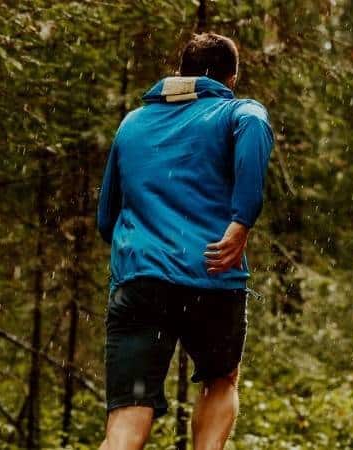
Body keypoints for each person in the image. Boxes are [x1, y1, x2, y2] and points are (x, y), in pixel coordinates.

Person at [95, 32, 274, 450]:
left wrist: (147, 248)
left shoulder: (132, 123)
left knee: (127, 415)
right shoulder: (238, 111)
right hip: (212, 275)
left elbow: (107, 218)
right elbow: (254, 123)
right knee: (220, 380)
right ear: (231, 78)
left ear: (181, 74)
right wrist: (241, 220)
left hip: (140, 282)